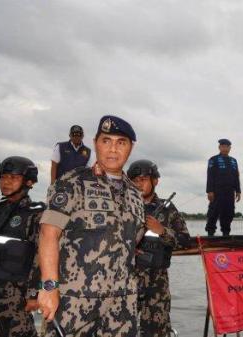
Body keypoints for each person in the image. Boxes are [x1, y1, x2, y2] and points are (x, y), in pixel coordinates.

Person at [38, 115, 145, 336]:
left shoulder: (136, 194)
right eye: (106, 141)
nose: (113, 149)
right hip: (74, 303)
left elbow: (133, 241)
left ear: (130, 148)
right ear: (96, 143)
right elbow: (48, 234)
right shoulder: (72, 182)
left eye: (121, 142)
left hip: (123, 305)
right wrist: (48, 288)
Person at [0, 156, 43, 337]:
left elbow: (41, 257)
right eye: (3, 177)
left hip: (14, 296)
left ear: (28, 181)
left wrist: (34, 294)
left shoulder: (36, 215)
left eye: (13, 177)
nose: (6, 182)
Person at [127, 159, 190, 337]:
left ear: (155, 181)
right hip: (125, 282)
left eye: (144, 179)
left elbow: (185, 241)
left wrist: (162, 231)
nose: (139, 184)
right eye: (135, 180)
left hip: (156, 285)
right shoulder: (122, 207)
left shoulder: (168, 210)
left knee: (157, 333)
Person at [205, 139, 241, 236]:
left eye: (227, 147)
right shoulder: (213, 159)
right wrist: (210, 191)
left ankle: (226, 233)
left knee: (229, 212)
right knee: (213, 212)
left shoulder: (234, 161)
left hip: (230, 191)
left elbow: (236, 176)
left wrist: (238, 191)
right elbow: (210, 176)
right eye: (223, 146)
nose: (225, 148)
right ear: (219, 147)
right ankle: (210, 232)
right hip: (217, 191)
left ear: (230, 148)